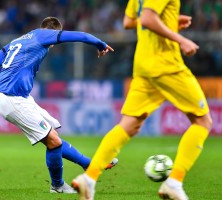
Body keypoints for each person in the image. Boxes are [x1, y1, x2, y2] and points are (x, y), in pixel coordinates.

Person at [0, 17, 115, 194]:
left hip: (20, 98)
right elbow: (80, 35)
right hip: (12, 99)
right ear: (54, 33)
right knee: (53, 141)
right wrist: (100, 43)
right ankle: (58, 185)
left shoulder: (18, 41)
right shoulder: (44, 36)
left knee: (53, 137)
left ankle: (89, 165)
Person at [72, 0, 212, 200]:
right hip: (166, 64)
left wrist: (169, 21)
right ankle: (174, 182)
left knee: (129, 125)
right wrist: (180, 38)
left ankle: (89, 178)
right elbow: (147, 18)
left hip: (143, 65)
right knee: (202, 121)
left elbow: (130, 21)